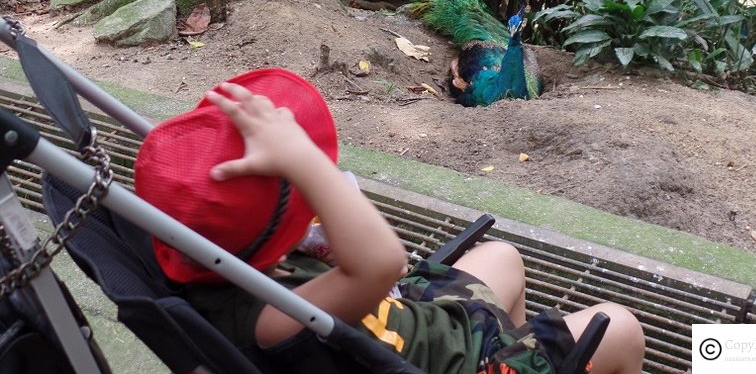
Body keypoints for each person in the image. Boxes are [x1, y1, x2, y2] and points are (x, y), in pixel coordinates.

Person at [135, 68, 645, 374]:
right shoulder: (260, 321)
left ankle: (518, 352)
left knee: (504, 256)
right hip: (440, 363)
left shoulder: (227, 254)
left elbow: (382, 273)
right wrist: (304, 163)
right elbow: (383, 263)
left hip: (425, 324)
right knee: (621, 326)